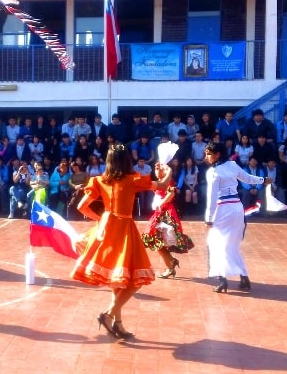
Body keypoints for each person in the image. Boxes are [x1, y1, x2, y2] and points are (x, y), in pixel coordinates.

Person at [71, 144, 173, 340]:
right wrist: (168, 172)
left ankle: (118, 324)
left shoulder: (99, 180)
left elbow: (82, 206)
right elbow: (161, 186)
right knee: (135, 278)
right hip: (124, 228)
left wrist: (100, 219)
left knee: (118, 278)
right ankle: (108, 314)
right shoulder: (132, 179)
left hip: (106, 229)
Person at [204, 142, 272, 293]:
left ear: (217, 154)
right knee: (232, 245)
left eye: (209, 153)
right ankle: (244, 277)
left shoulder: (213, 172)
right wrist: (262, 180)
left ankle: (222, 281)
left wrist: (208, 218)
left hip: (223, 209)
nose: (206, 157)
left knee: (216, 244)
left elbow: (212, 198)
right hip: (237, 208)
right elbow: (247, 178)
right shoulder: (233, 165)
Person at [142, 163, 195, 279]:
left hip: (166, 213)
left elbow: (171, 194)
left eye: (160, 169)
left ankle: (170, 264)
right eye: (156, 169)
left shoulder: (169, 181)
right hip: (159, 213)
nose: (157, 171)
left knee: (157, 240)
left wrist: (162, 202)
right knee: (155, 240)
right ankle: (171, 263)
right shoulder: (159, 181)